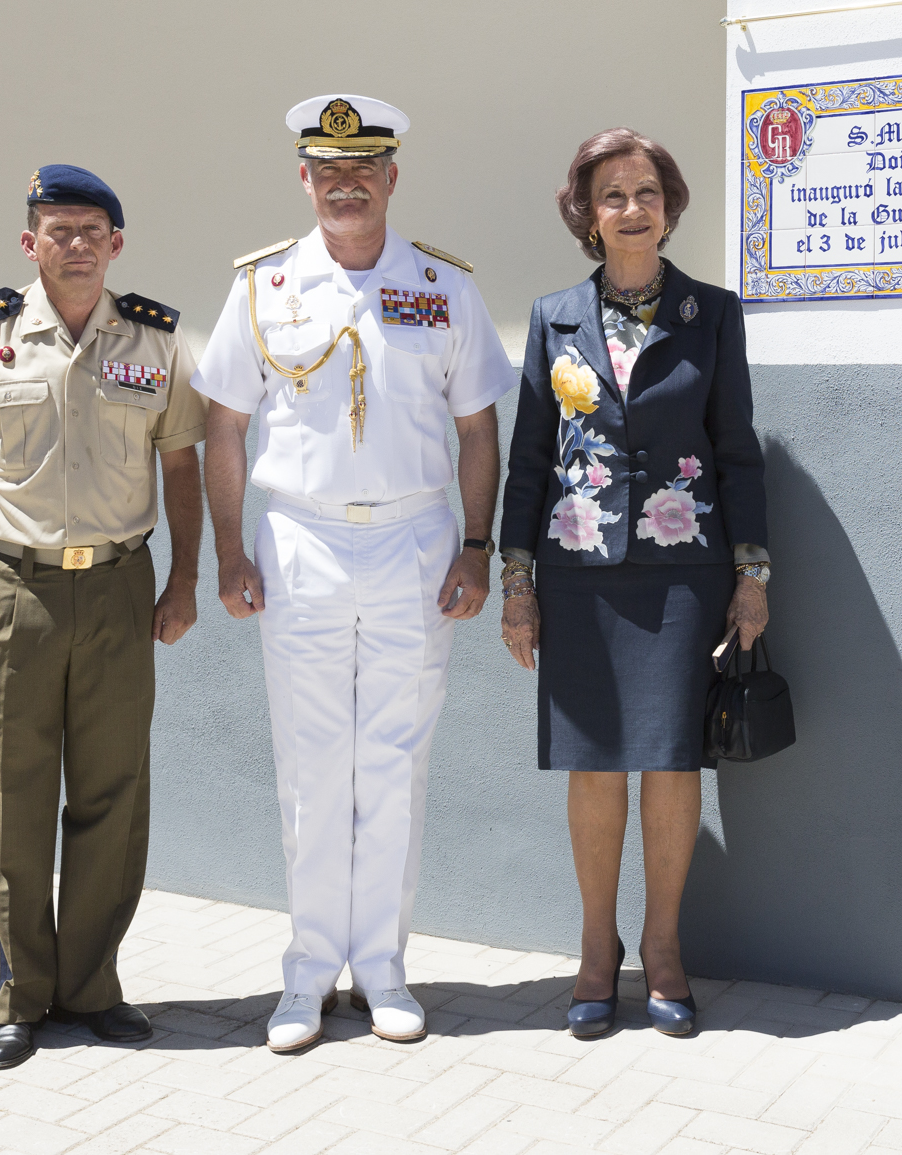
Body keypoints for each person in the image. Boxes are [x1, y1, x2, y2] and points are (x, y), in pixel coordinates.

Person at [194, 95, 512, 1053]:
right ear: (305, 179)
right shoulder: (262, 285)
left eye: (363, 167)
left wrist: (474, 544)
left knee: (395, 764)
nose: (345, 183)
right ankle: (307, 972)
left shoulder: (444, 287)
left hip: (416, 542)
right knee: (311, 763)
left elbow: (477, 428)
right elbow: (225, 425)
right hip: (302, 543)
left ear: (390, 177)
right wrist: (230, 548)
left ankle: (381, 965)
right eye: (327, 169)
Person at [0, 165, 207, 1070]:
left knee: (113, 794)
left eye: (92, 230)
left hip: (122, 584)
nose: (75, 242)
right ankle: (19, 994)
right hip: (15, 588)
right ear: (29, 241)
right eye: (57, 227)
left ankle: (92, 986)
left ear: (116, 245)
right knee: (16, 797)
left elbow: (184, 470)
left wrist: (184, 580)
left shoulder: (155, 339)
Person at [498, 128, 769, 1039]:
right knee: (592, 766)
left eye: (646, 190)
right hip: (578, 572)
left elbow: (738, 454)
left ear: (670, 204)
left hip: (683, 571)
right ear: (586, 212)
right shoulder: (552, 317)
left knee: (670, 760)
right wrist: (518, 581)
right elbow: (529, 457)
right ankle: (593, 949)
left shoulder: (713, 315)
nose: (631, 208)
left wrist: (751, 577)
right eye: (611, 194)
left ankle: (661, 949)